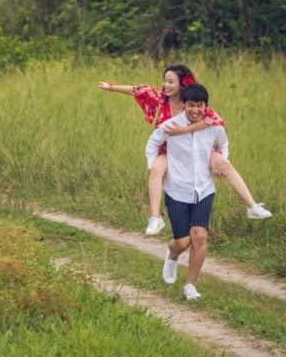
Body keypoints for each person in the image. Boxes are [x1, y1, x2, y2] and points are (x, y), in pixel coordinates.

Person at [97, 64, 271, 235]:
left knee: (224, 164)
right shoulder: (160, 97)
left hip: (197, 147)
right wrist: (110, 87)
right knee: (156, 169)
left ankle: (252, 206)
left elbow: (215, 121)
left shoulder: (192, 102)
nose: (166, 85)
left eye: (171, 82)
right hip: (168, 149)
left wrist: (183, 130)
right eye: (165, 81)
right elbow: (138, 90)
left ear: (182, 83)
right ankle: (155, 218)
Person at [146, 83, 223, 300]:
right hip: (177, 190)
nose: (195, 110)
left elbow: (223, 144)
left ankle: (190, 285)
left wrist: (220, 165)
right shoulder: (170, 126)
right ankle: (172, 256)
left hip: (204, 189)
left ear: (206, 106)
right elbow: (152, 143)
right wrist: (153, 165)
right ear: (184, 106)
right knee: (182, 242)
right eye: (191, 105)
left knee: (199, 236)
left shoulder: (214, 126)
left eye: (200, 106)